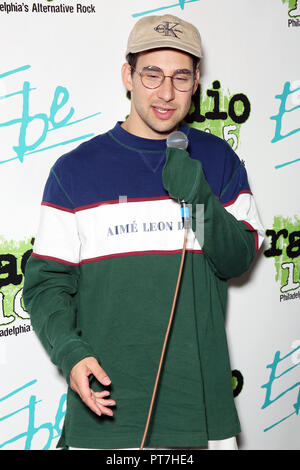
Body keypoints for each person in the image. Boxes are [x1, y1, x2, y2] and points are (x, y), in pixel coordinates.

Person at [23, 14, 264, 450]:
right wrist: (70, 353)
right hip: (103, 409)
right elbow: (45, 287)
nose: (166, 92)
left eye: (181, 77)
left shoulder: (219, 159)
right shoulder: (75, 171)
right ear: (128, 76)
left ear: (196, 83)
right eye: (152, 73)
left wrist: (200, 200)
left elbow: (238, 260)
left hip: (199, 412)